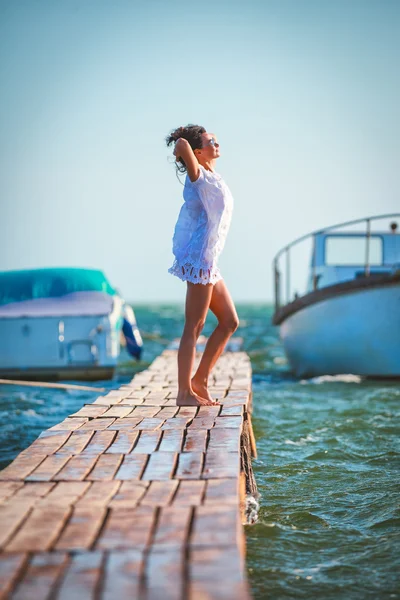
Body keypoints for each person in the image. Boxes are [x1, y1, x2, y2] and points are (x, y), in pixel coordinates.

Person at [165, 124, 239, 406]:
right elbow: (183, 147)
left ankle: (200, 381)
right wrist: (183, 145)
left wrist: (191, 147)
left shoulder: (211, 176)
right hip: (200, 260)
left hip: (209, 260)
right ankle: (184, 393)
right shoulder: (199, 177)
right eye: (211, 142)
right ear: (198, 152)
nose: (217, 145)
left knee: (230, 321)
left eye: (217, 141)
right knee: (194, 326)